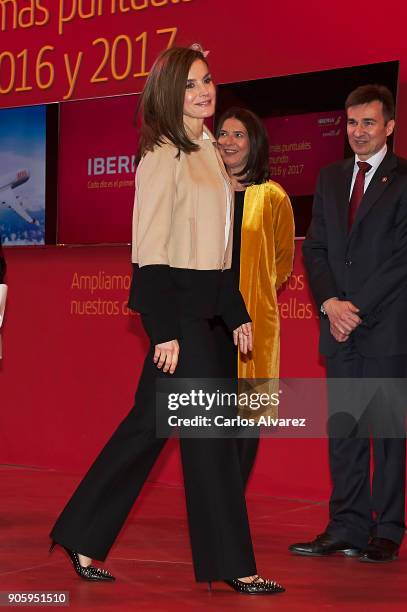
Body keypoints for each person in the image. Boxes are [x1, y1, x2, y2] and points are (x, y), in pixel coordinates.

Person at [50, 46, 284, 595]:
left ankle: (80, 533)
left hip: (210, 314)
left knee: (146, 430)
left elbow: (218, 251)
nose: (205, 91)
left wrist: (237, 311)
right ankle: (233, 564)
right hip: (180, 318)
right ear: (170, 91)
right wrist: (165, 331)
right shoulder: (162, 156)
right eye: (192, 84)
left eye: (209, 80)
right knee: (211, 439)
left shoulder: (208, 150)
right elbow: (150, 254)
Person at [290, 84, 407, 563]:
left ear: (390, 127)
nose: (357, 132)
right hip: (338, 324)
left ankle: (389, 529)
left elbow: (402, 259)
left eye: (368, 123)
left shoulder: (403, 180)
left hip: (386, 326)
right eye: (351, 122)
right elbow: (315, 248)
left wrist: (352, 308)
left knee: (388, 434)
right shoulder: (330, 177)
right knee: (346, 432)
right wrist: (331, 304)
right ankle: (347, 527)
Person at [214, 107, 295, 482]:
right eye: (223, 133)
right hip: (207, 321)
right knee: (208, 413)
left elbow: (282, 264)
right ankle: (214, 503)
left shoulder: (273, 195)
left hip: (252, 321)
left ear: (254, 143)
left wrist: (253, 293)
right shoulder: (205, 191)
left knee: (247, 413)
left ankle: (234, 503)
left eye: (238, 135)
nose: (228, 141)